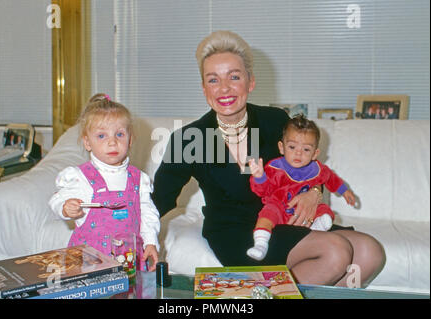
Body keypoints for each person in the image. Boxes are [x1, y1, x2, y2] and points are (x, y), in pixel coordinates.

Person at [151, 30, 385, 286]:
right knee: (336, 251)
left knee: (370, 252)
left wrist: (314, 193)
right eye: (213, 80)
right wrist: (117, 228)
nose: (225, 88)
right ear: (204, 88)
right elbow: (160, 199)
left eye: (234, 76)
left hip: (283, 219)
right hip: (237, 232)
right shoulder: (190, 138)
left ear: (250, 82)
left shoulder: (275, 121)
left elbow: (309, 169)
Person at [49, 93, 160, 271]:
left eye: (119, 134)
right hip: (88, 264)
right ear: (87, 142)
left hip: (129, 261)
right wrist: (64, 207)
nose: (112, 142)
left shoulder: (139, 179)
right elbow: (56, 199)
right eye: (101, 136)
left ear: (130, 140)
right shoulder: (80, 177)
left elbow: (148, 214)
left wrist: (150, 242)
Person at [247, 115, 356, 261]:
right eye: (292, 147)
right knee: (266, 215)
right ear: (281, 147)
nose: (298, 153)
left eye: (306, 149)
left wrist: (344, 191)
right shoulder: (275, 168)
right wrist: (260, 177)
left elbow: (331, 178)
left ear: (315, 153)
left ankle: (317, 228)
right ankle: (261, 244)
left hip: (306, 212)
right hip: (279, 207)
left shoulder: (317, 169)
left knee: (325, 210)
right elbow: (262, 191)